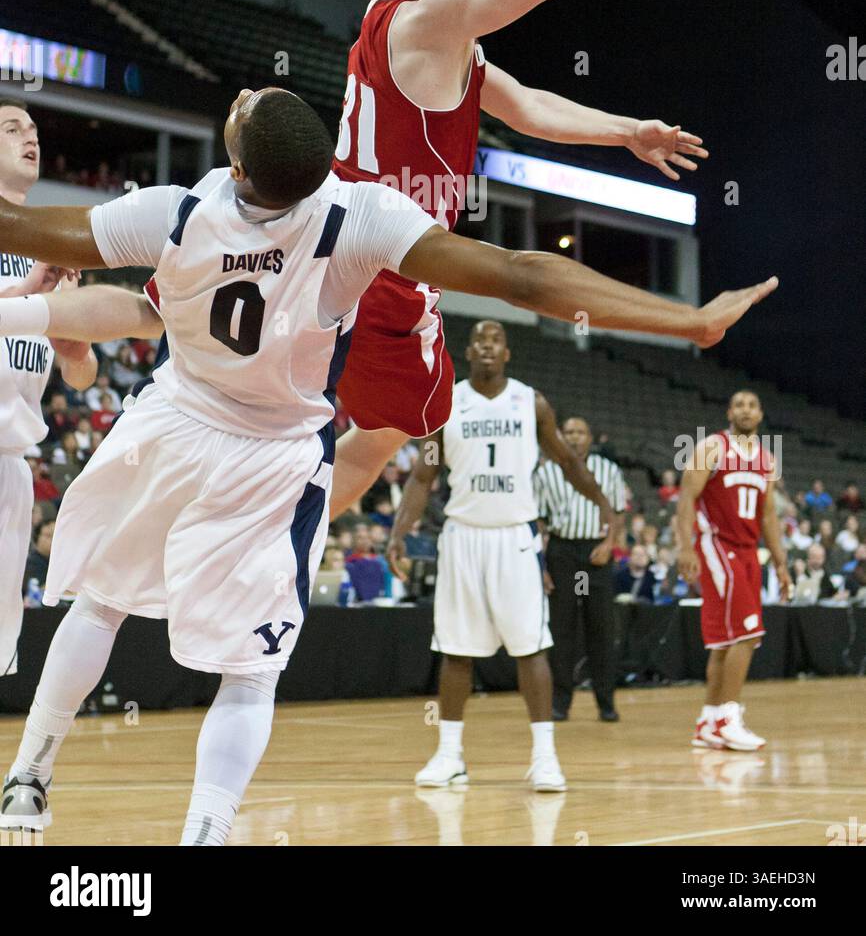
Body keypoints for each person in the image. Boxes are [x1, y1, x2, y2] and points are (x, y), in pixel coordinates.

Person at [0, 86, 775, 842]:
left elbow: (20, 230)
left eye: (244, 107)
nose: (243, 93)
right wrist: (687, 320)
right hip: (270, 458)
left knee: (100, 604)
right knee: (250, 672)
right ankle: (205, 832)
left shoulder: (170, 211)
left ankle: (31, 775)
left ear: (239, 172)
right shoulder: (357, 216)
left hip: (172, 426)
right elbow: (520, 274)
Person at [327, 0, 719, 513]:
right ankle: (243, 560)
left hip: (358, 258)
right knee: (358, 433)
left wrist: (624, 131)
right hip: (378, 266)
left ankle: (263, 549)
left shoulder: (431, 44)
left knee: (372, 435)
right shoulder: (425, 17)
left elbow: (528, 106)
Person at [389, 322, 614, 792]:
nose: (487, 346)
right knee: (455, 649)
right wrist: (399, 531)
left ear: (507, 353)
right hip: (462, 536)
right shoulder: (445, 402)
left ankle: (545, 758)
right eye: (480, 340)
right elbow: (423, 476)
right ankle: (449, 756)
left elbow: (570, 463)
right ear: (468, 351)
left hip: (515, 537)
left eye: (496, 340)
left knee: (531, 646)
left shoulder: (530, 402)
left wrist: (604, 506)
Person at [0, 100, 98, 680]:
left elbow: (80, 379)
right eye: (11, 129)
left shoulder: (47, 241)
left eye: (33, 130)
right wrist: (27, 293)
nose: (28, 137)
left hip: (13, 462)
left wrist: (75, 344)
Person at [676, 391, 791, 753]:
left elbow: (769, 515)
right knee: (746, 634)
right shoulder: (712, 447)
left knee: (726, 642)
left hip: (747, 552)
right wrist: (685, 547)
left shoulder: (767, 459)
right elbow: (686, 498)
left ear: (760, 414)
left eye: (752, 405)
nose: (745, 410)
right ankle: (729, 718)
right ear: (729, 412)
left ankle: (709, 722)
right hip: (716, 546)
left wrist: (781, 561)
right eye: (738, 404)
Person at [533, 414, 626, 723]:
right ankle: (560, 702)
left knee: (601, 628)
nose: (573, 437)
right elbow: (538, 521)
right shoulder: (545, 473)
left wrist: (609, 543)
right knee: (562, 629)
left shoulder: (608, 470)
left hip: (594, 555)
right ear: (560, 436)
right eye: (568, 432)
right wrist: (542, 565)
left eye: (580, 432)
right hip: (562, 553)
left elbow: (617, 513)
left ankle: (606, 702)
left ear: (589, 437)